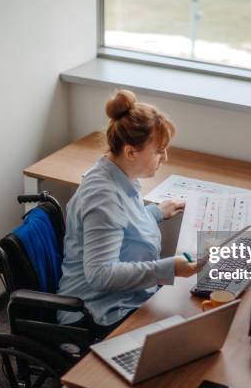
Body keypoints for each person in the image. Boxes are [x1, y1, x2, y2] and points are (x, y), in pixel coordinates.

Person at [57, 90, 199, 336]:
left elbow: (122, 224)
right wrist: (170, 269)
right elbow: (101, 275)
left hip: (125, 297)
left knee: (190, 311)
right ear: (131, 151)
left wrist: (155, 212)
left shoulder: (117, 174)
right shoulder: (103, 198)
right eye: (159, 151)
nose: (165, 157)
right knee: (188, 324)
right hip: (99, 311)